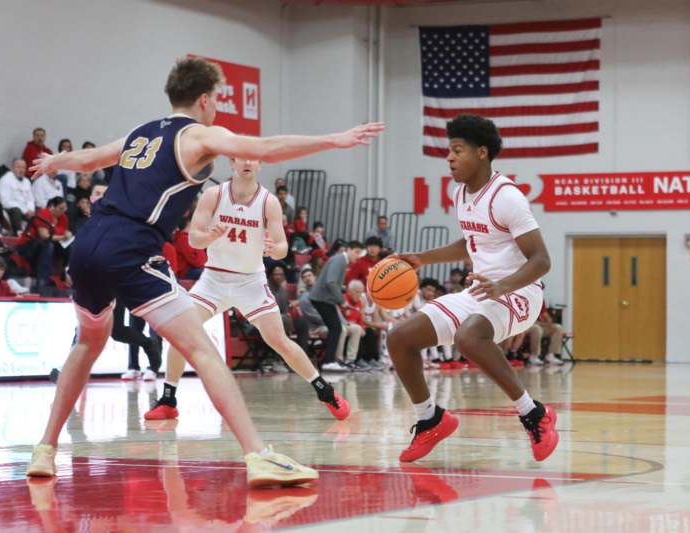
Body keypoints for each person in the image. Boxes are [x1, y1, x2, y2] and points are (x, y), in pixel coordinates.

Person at [24, 56, 383, 487]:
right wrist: (334, 140)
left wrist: (55, 162)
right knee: (203, 351)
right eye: (216, 99)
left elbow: (88, 161)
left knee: (87, 343)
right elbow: (266, 148)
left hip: (87, 244)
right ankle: (259, 456)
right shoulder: (199, 135)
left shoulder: (142, 132)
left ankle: (45, 448)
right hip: (131, 248)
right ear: (205, 99)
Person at [388, 114, 557, 464]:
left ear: (482, 153)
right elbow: (471, 242)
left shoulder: (507, 197)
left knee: (469, 337)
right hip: (482, 292)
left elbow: (542, 260)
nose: (449, 158)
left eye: (457, 150)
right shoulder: (461, 193)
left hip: (520, 292)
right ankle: (430, 419)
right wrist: (422, 258)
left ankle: (533, 413)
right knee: (399, 338)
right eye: (448, 151)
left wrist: (502, 286)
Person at [145, 156, 349, 422]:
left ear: (260, 164)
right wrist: (209, 236)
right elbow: (194, 239)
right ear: (232, 162)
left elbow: (282, 247)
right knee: (181, 333)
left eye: (254, 159)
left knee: (279, 341)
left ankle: (326, 391)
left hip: (250, 281)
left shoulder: (268, 202)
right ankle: (168, 400)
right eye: (242, 158)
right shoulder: (214, 195)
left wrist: (274, 249)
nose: (248, 163)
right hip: (214, 279)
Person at [309, 241, 364, 372]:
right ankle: (329, 362)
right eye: (356, 252)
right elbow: (331, 282)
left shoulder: (340, 261)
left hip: (323, 298)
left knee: (336, 328)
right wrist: (342, 300)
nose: (357, 256)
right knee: (336, 328)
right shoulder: (339, 260)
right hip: (322, 298)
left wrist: (344, 291)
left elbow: (334, 283)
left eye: (359, 254)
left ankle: (330, 361)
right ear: (348, 249)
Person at [0, 159, 35, 234]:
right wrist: (25, 210)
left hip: (26, 210)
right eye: (18, 167)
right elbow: (5, 202)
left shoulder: (27, 181)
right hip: (11, 209)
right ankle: (18, 234)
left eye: (23, 168)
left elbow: (30, 199)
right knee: (16, 211)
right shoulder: (5, 180)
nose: (21, 170)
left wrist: (31, 209)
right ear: (12, 168)